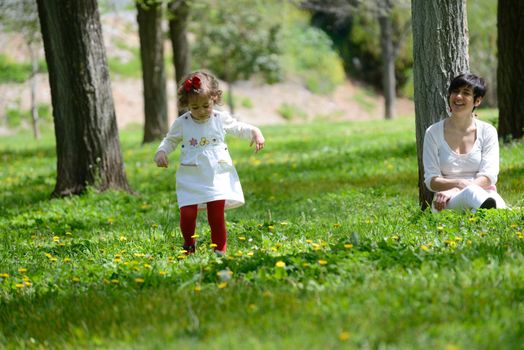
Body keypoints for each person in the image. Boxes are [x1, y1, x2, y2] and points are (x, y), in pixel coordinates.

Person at [154, 71, 265, 254]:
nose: (201, 111)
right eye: (195, 107)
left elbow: (237, 127)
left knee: (216, 215)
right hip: (192, 175)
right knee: (187, 213)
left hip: (217, 174)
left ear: (214, 98)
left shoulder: (219, 118)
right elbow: (170, 140)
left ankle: (219, 252)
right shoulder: (183, 123)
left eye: (206, 105)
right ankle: (189, 245)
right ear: (186, 105)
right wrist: (161, 151)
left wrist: (254, 131)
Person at [423, 73, 506, 212]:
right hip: (446, 201)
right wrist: (458, 185)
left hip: (484, 193)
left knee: (496, 204)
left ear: (477, 101)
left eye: (466, 93)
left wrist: (456, 189)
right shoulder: (433, 133)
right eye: (455, 91)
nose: (458, 96)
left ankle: (479, 218)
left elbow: (489, 176)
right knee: (471, 194)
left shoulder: (488, 131)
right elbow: (431, 181)